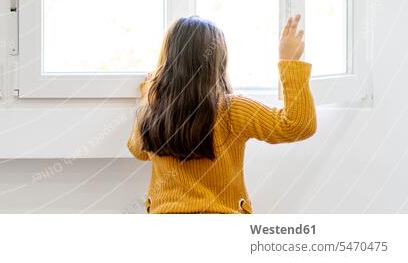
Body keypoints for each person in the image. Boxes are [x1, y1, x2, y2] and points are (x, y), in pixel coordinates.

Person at [127, 14, 316, 213]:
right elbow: (299, 125)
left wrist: (150, 92)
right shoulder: (232, 109)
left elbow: (138, 151)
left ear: (167, 58)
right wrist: (289, 62)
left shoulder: (153, 108)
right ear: (219, 60)